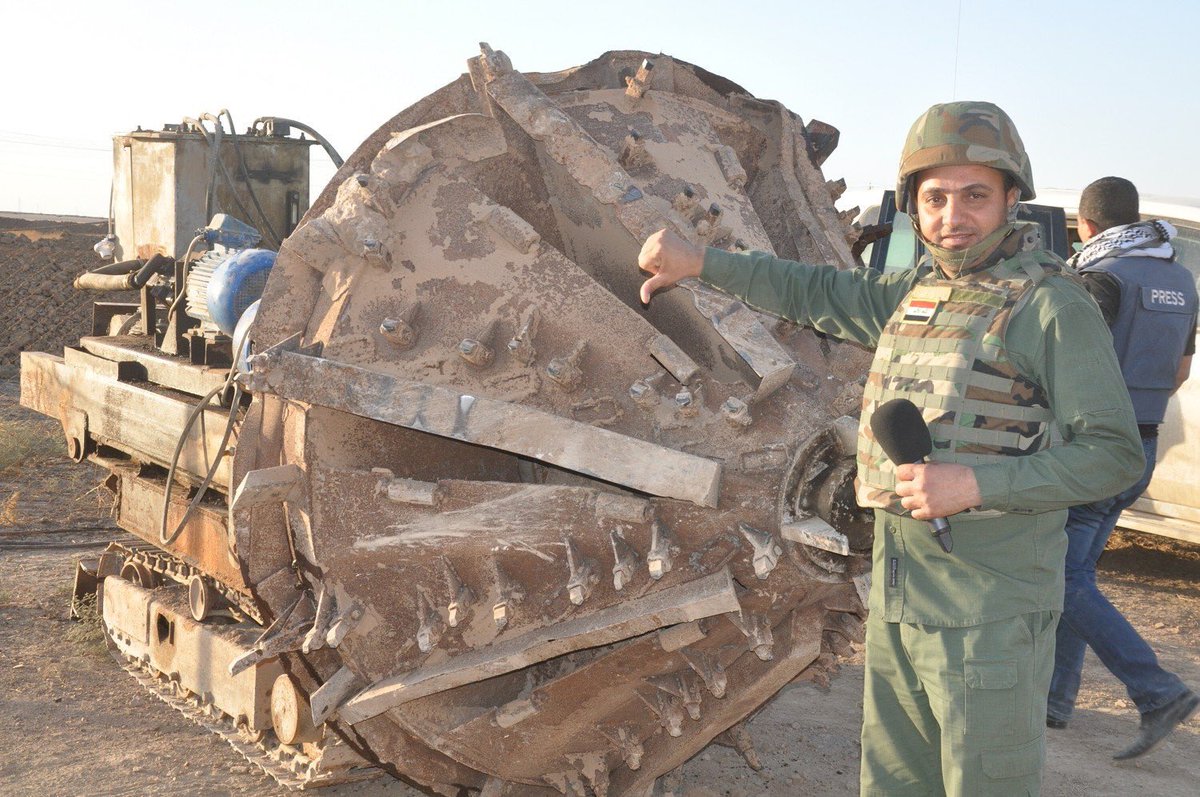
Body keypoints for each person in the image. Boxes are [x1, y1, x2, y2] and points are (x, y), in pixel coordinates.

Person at [636, 101, 1145, 796]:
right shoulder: (918, 291)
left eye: (974, 196)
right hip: (903, 598)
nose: (952, 216)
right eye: (935, 198)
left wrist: (977, 484)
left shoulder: (1052, 306)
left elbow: (1114, 454)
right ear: (914, 205)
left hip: (990, 613)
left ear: (1011, 199)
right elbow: (813, 290)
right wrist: (701, 263)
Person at [1046, 176, 1199, 758]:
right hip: (1143, 447)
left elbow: (1066, 365)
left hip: (1092, 448)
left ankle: (1157, 691)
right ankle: (1056, 701)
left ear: (1086, 226)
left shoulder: (1097, 277)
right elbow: (1181, 371)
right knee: (1077, 574)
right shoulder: (1181, 278)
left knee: (1063, 576)